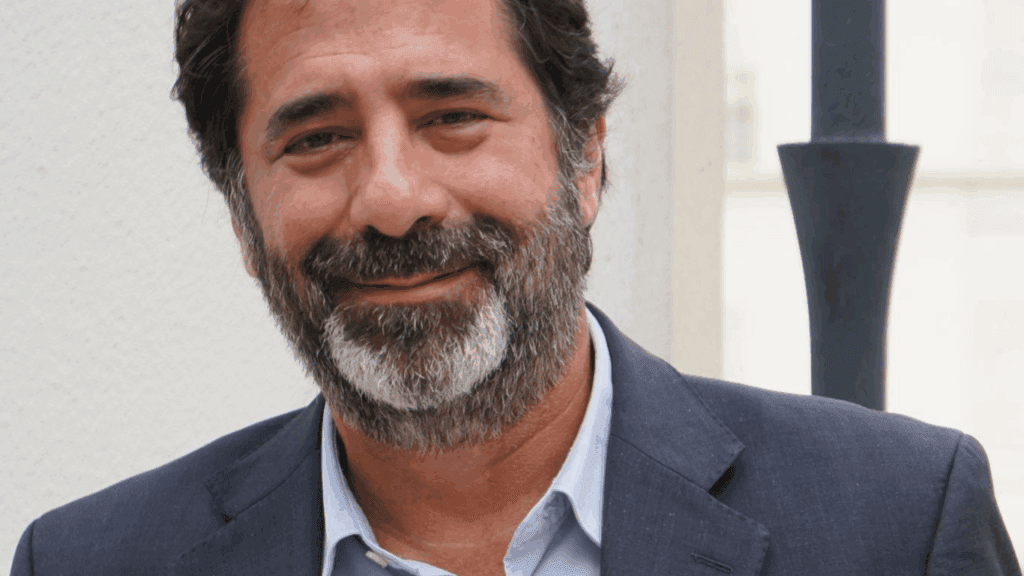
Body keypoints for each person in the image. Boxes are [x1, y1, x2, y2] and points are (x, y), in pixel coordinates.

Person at [11, 0, 1020, 574]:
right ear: (242, 217)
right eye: (316, 138)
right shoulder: (91, 564)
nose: (392, 200)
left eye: (451, 116)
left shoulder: (897, 527)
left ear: (584, 158)